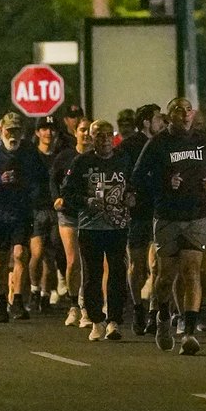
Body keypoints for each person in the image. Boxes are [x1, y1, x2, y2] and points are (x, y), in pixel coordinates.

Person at [131, 97, 206, 355]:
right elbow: (138, 176)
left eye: (188, 110)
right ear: (169, 117)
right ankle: (161, 319)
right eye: (178, 111)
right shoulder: (157, 143)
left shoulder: (203, 140)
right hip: (168, 215)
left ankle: (189, 332)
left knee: (192, 271)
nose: (184, 114)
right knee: (165, 276)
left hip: (197, 214)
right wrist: (164, 181)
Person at [61, 119, 134, 341]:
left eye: (107, 135)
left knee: (117, 273)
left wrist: (131, 197)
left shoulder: (123, 160)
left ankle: (114, 320)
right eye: (99, 136)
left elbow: (133, 184)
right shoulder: (82, 162)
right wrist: (86, 201)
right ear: (92, 139)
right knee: (92, 275)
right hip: (91, 226)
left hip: (117, 225)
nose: (104, 140)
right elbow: (67, 193)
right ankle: (96, 319)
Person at [0, 112, 48, 323]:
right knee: (1, 257)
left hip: (22, 211)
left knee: (20, 253)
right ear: (1, 130)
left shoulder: (28, 151)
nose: (13, 134)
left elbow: (41, 176)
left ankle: (17, 298)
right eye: (9, 130)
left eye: (17, 130)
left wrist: (32, 191)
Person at [119, 104, 161, 335]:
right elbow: (123, 174)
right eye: (157, 119)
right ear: (146, 122)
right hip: (137, 214)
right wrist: (128, 194)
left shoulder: (164, 142)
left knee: (158, 264)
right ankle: (137, 308)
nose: (162, 122)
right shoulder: (129, 146)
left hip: (160, 210)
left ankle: (155, 309)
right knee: (137, 265)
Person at [53, 117, 91, 327]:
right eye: (82, 130)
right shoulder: (65, 157)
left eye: (88, 130)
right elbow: (53, 178)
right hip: (68, 214)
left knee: (88, 262)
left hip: (91, 214)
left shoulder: (98, 157)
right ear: (75, 132)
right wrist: (56, 198)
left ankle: (87, 307)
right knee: (73, 261)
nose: (85, 134)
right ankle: (74, 304)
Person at [28, 116, 62, 316]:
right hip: (35, 210)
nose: (48, 133)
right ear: (37, 133)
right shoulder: (31, 156)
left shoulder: (60, 157)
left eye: (51, 129)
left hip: (55, 210)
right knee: (37, 253)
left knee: (50, 257)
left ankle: (45, 294)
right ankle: (33, 289)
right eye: (44, 129)